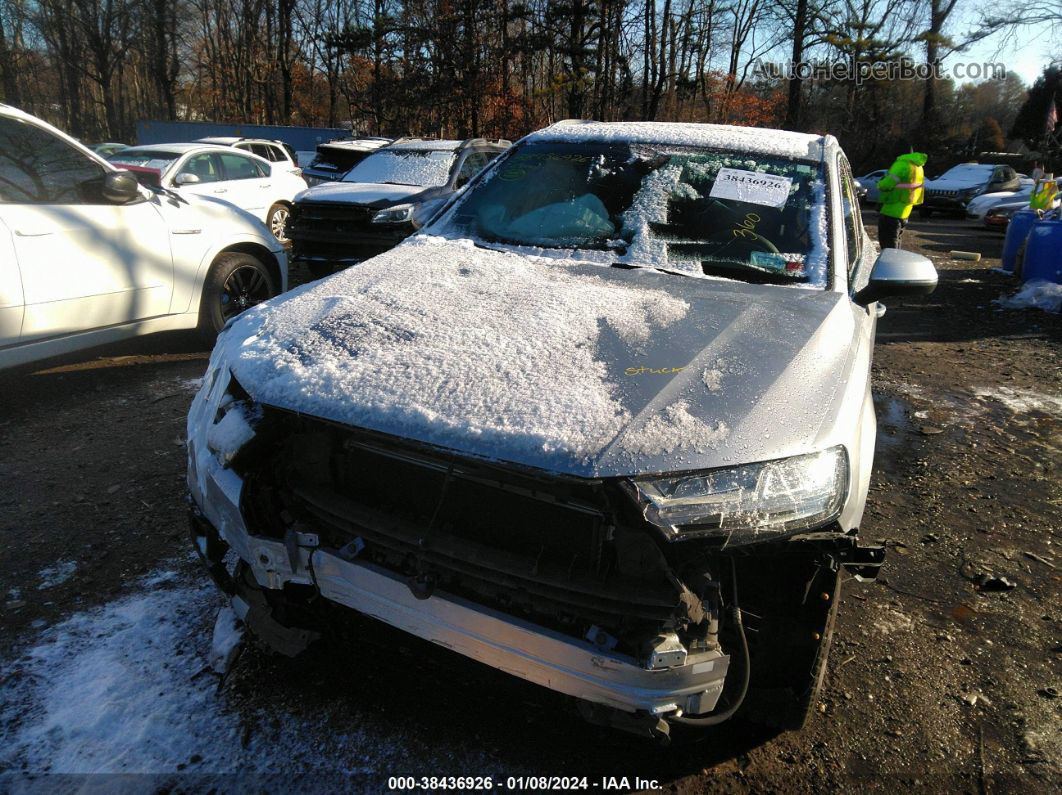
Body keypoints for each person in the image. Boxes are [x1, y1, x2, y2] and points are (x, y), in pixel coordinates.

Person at [876, 150, 928, 250]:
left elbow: (886, 184)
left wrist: (879, 184)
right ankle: (894, 261)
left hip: (891, 208)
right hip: (905, 209)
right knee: (896, 240)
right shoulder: (918, 166)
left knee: (888, 244)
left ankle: (890, 264)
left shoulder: (902, 164)